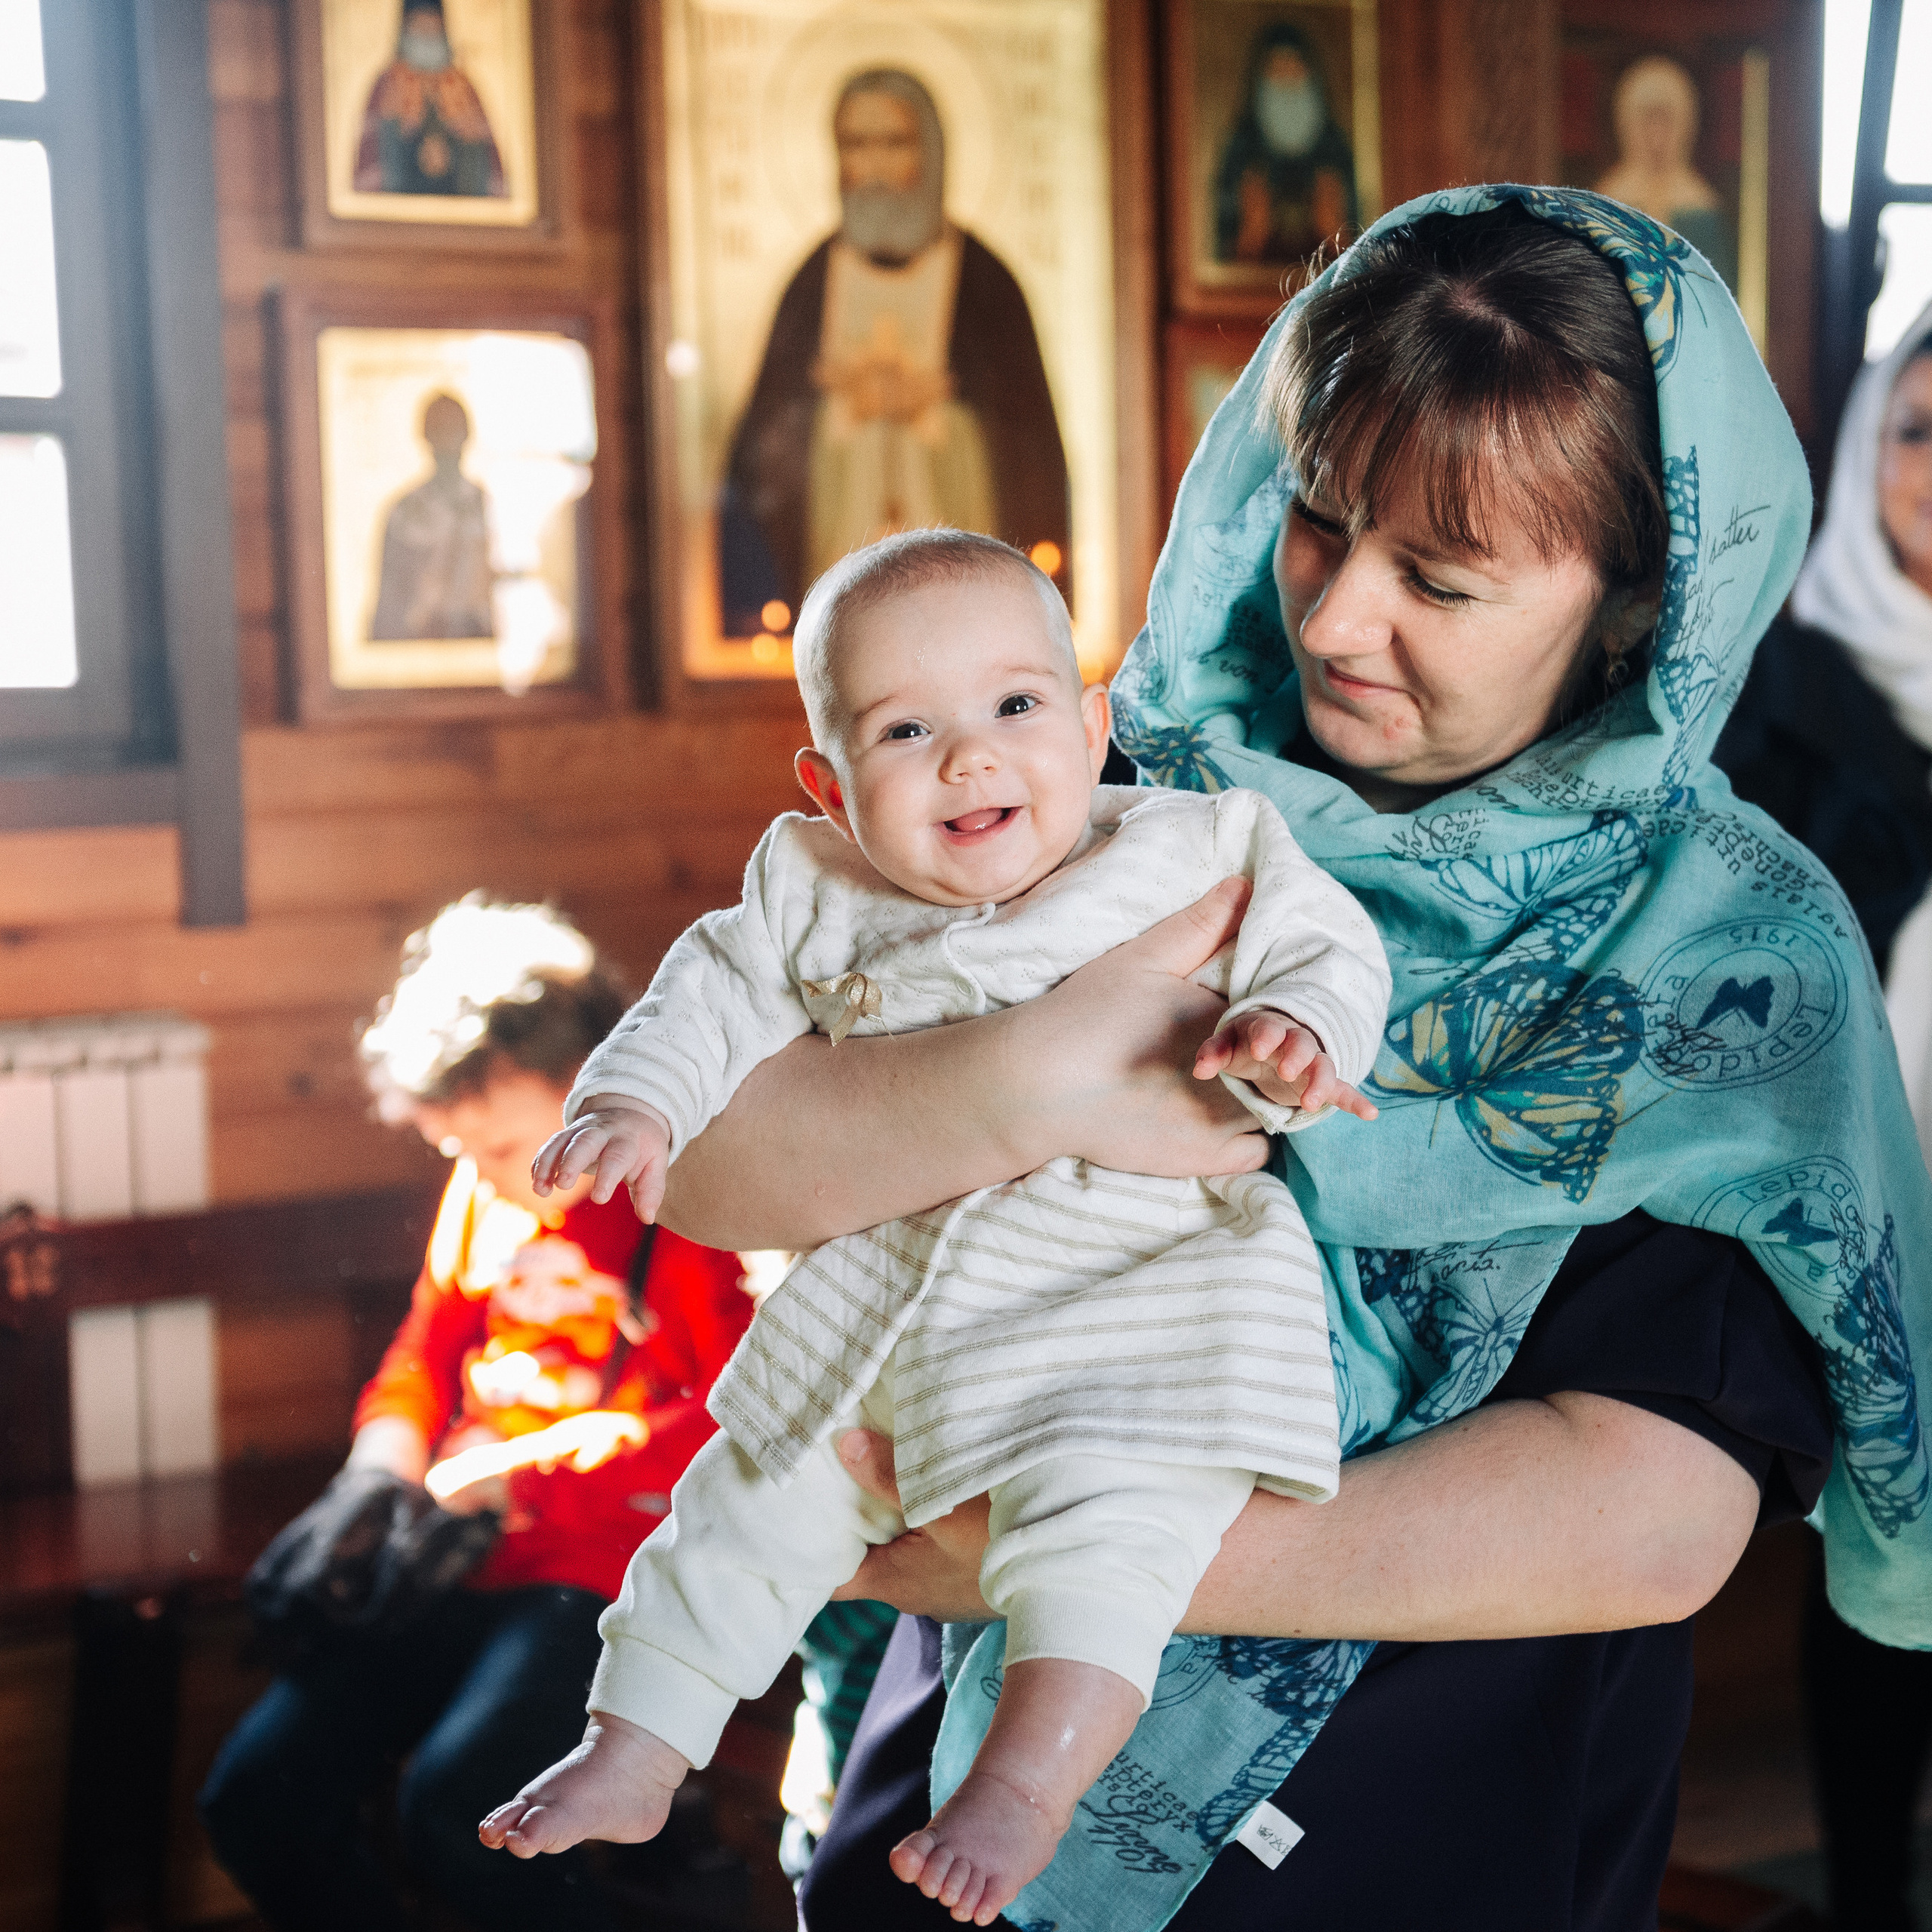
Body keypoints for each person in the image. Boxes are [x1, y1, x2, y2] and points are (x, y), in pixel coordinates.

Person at [614, 189, 1932, 1932]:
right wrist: (1038, 1073)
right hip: (954, 1749)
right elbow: (707, 1150)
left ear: (1634, 600)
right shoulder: (1105, 780)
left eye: (1438, 579)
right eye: (1315, 520)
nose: (1330, 618)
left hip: (1418, 1811)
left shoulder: (1705, 955)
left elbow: (1651, 1511)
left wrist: (1070, 1545)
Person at [478, 528, 1390, 1925]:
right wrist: (638, 1108)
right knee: (749, 1493)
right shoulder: (813, 894)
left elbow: (1328, 947)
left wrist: (1301, 1027)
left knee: (1112, 1530)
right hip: (895, 1297)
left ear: (1094, 730)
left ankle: (1029, 1783)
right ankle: (638, 1740)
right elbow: (697, 1004)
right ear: (830, 786)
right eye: (908, 730)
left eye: (1017, 707)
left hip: (1140, 1287)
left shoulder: (1189, 848)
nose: (971, 758)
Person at [198, 897, 754, 1932]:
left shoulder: (684, 1202)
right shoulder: (482, 1192)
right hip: (458, 1552)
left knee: (463, 1809)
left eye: (499, 1144)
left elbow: (735, 1419)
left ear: (595, 1079)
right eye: (456, 1148)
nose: (482, 1174)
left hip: (603, 1571)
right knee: (258, 1799)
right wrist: (379, 1466)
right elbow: (425, 1352)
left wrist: (529, 1473)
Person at [1721, 301, 1932, 1932]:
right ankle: (1866, 1888)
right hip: (1870, 1195)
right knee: (1885, 1558)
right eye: (1916, 429)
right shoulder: (1776, 682)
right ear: (1864, 454)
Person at [717, 69, 1069, 636]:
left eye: (894, 143)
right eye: (857, 144)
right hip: (836, 581)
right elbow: (764, 453)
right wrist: (833, 408)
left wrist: (940, 406)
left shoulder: (986, 284)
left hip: (965, 581)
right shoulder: (811, 284)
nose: (875, 166)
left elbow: (1028, 452)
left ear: (929, 151)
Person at [1213, 23, 1357, 267]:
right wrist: (1250, 232)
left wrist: (1336, 230)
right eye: (1277, 70)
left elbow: (1358, 244)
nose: (1287, 81)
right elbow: (1221, 253)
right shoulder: (1241, 148)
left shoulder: (1335, 149)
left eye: (1294, 68)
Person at [1593, 55, 1737, 294]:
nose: (1657, 136)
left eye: (1666, 122)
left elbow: (1717, 299)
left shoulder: (1701, 209)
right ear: (1628, 124)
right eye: (1648, 121)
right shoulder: (1605, 204)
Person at [368, 391, 495, 643]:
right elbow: (389, 598)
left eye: (453, 431)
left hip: (480, 640)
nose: (447, 443)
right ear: (426, 437)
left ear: (467, 435)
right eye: (439, 432)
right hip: (420, 639)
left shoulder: (489, 507)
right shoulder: (404, 512)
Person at [353, 2, 506, 199]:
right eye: (419, 26)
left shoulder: (463, 86)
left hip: (459, 210)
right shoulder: (388, 84)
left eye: (433, 26)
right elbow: (373, 155)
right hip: (400, 210)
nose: (426, 35)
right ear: (405, 30)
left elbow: (486, 162)